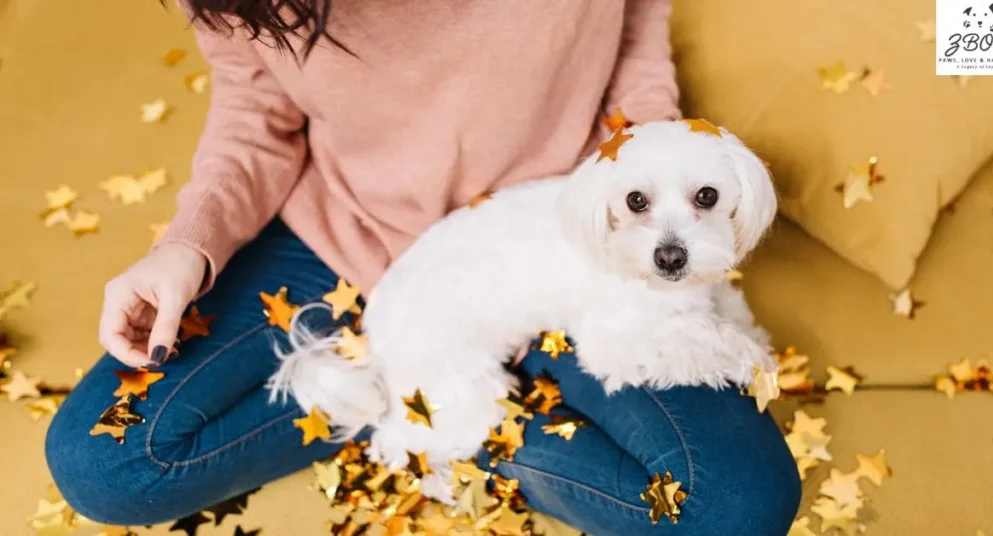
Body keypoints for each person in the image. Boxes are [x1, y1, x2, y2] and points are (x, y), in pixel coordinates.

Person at [44, 1, 801, 534]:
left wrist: (643, 180)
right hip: (348, 233)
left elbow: (634, 31)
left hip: (557, 235)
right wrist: (186, 245)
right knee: (104, 463)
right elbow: (256, 114)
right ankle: (427, 407)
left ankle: (433, 418)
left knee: (735, 508)